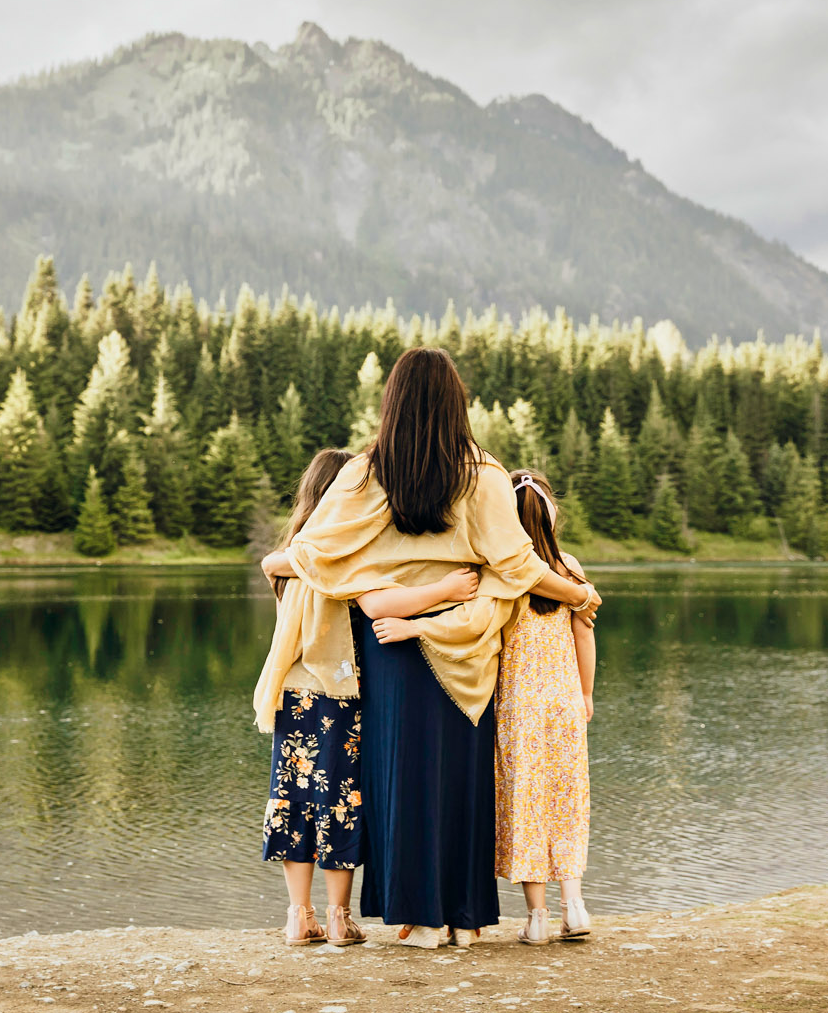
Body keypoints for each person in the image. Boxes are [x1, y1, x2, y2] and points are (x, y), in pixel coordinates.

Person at [262, 348, 601, 948]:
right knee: (462, 776)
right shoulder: (483, 473)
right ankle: (465, 919)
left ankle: (418, 919)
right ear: (456, 402)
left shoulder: (366, 472)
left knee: (401, 776)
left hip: (391, 641)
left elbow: (315, 550)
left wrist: (278, 569)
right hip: (469, 635)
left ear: (391, 402)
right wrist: (575, 592)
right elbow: (518, 565)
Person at [255, 448, 483, 946]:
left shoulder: (291, 562)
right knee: (340, 799)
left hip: (294, 693)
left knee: (296, 800)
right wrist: (445, 588)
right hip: (341, 694)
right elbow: (379, 604)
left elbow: (272, 561)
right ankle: (338, 916)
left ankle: (299, 915)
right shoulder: (344, 563)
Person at [479, 469, 596, 945]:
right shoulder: (569, 568)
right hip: (565, 701)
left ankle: (538, 917)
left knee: (524, 802)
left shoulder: (505, 574)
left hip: (517, 707)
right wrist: (586, 693)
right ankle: (575, 904)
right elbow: (585, 633)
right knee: (566, 797)